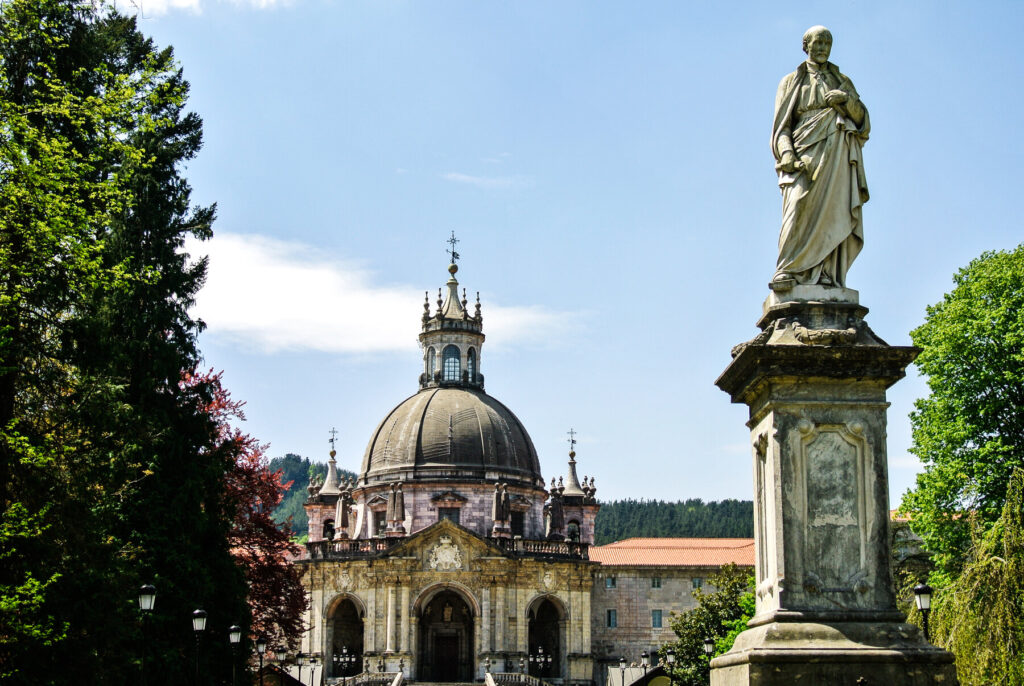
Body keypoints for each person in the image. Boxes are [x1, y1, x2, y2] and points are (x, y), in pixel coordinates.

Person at [772, 26, 869, 288]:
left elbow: (862, 121)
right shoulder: (791, 81)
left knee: (835, 212)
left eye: (828, 42)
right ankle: (788, 270)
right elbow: (782, 129)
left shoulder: (842, 80)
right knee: (797, 206)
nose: (823, 47)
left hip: (837, 155)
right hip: (804, 157)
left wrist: (846, 100)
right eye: (818, 42)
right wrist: (788, 154)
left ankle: (827, 275)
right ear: (806, 46)